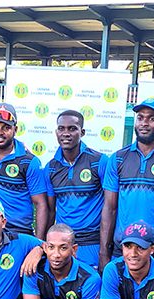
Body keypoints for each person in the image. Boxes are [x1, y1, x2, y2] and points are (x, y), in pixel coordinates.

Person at [99, 97, 154, 271]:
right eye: (140, 118)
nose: (144, 123)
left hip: (153, 251)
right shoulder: (118, 158)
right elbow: (110, 208)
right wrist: (104, 254)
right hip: (122, 250)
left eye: (152, 118)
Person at [0, 103, 50, 238]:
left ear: (15, 129)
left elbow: (40, 203)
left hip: (19, 234)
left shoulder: (29, 161)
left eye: (6, 127)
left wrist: (39, 244)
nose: (0, 133)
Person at [45, 109, 109, 268]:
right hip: (63, 245)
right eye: (61, 128)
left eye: (72, 128)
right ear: (56, 132)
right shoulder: (50, 168)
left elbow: (111, 207)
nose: (66, 133)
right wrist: (44, 246)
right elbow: (50, 211)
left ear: (83, 132)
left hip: (92, 244)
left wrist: (104, 250)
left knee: (91, 290)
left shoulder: (99, 162)